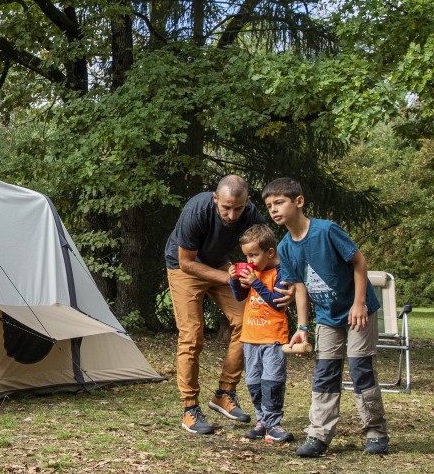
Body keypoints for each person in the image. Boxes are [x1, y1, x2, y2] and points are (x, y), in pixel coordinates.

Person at [263, 177, 390, 457]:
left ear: (298, 202)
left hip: (359, 311)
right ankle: (318, 435)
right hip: (327, 317)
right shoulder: (285, 247)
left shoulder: (326, 230)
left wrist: (358, 304)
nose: (274, 209)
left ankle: (376, 431)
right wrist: (302, 327)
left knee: (360, 369)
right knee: (325, 373)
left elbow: (359, 262)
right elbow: (300, 287)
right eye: (270, 205)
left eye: (279, 202)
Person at [165, 175, 268, 434]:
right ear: (215, 199)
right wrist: (227, 277)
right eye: (226, 208)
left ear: (248, 202)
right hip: (184, 267)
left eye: (238, 208)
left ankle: (224, 393)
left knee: (248, 322)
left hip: (218, 263)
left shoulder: (251, 213)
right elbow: (187, 262)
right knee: (192, 335)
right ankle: (190, 409)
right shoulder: (196, 211)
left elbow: (266, 249)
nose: (232, 215)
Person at [228, 224, 305, 444]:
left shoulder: (281, 273)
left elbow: (277, 304)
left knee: (272, 380)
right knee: (253, 381)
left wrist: (256, 282)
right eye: (246, 256)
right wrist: (235, 280)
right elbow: (241, 297)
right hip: (250, 337)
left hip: (272, 337)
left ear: (270, 252)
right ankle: (261, 420)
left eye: (254, 254)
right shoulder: (255, 273)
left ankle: (273, 423)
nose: (249, 260)